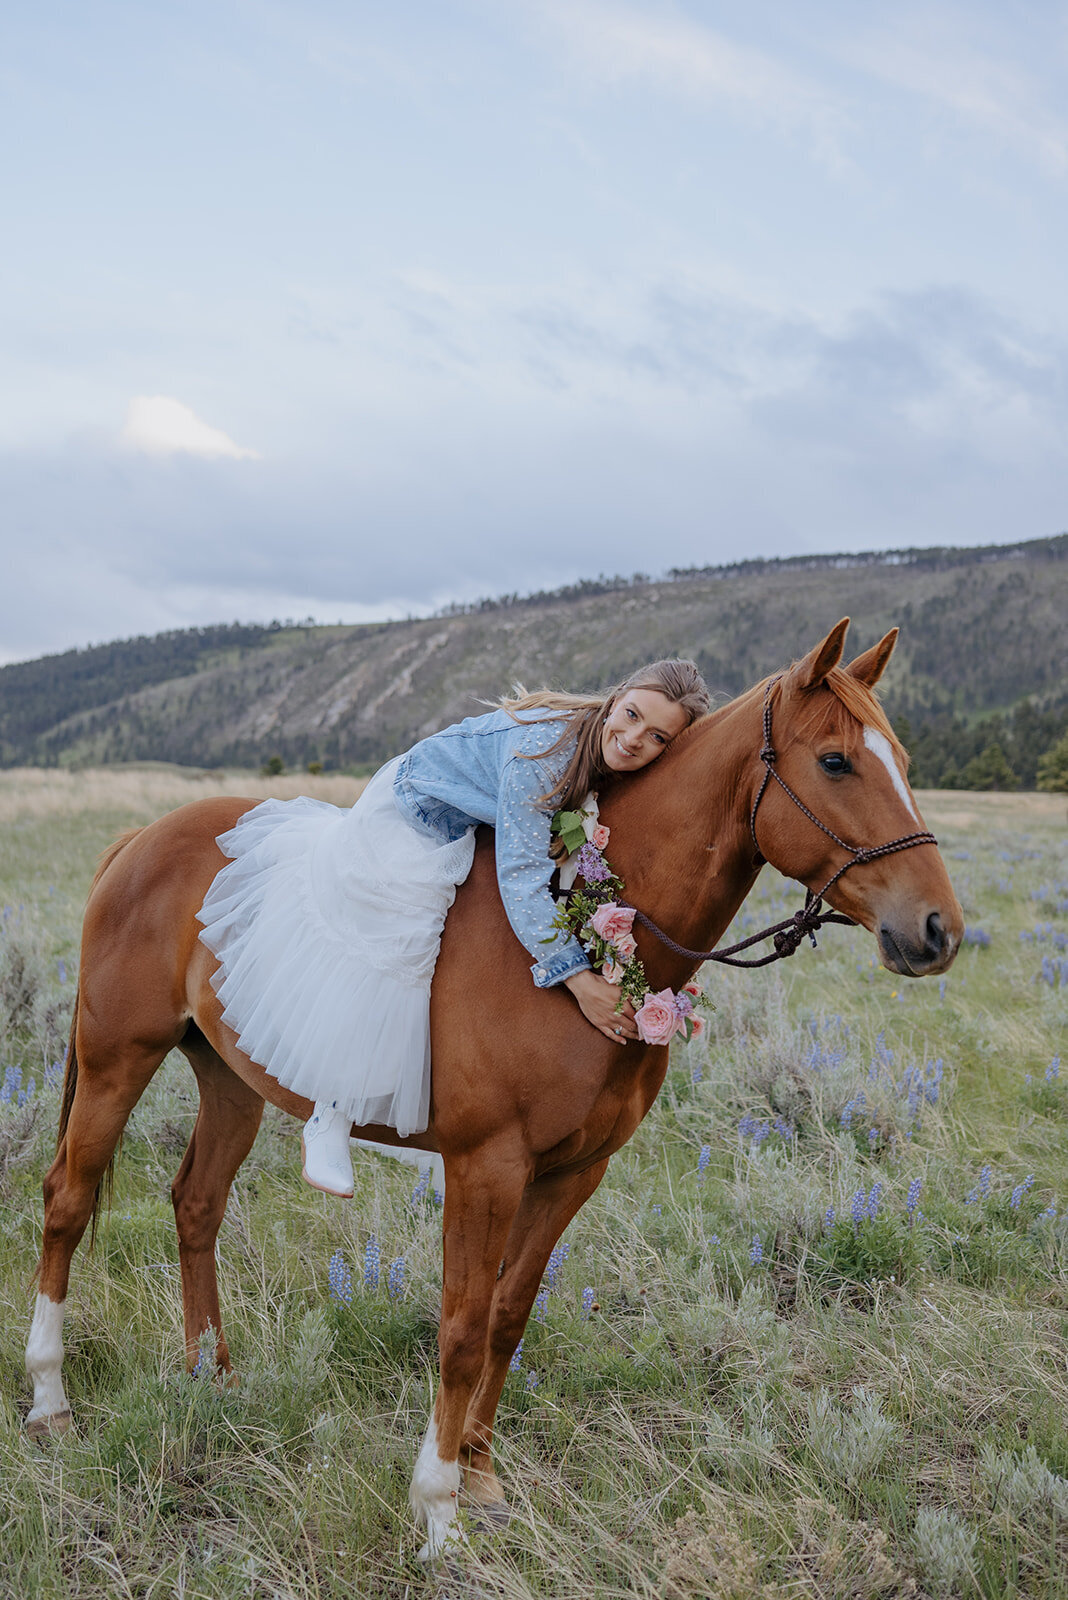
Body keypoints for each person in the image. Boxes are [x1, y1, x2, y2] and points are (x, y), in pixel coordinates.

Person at [196, 659, 710, 1197]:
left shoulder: (606, 752)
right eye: (630, 715)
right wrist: (580, 982)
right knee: (407, 945)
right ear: (618, 695)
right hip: (414, 815)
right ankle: (332, 1112)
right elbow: (520, 880)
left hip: (475, 821)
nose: (632, 739)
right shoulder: (547, 751)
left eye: (655, 737)